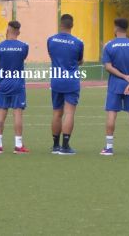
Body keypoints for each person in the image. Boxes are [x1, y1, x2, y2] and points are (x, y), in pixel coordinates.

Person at [100, 18, 129, 156]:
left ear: (116, 28)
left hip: (115, 84)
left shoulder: (109, 45)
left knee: (112, 113)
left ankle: (109, 148)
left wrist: (123, 76)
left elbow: (108, 66)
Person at [47, 14, 84, 155]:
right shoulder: (78, 42)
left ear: (60, 24)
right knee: (69, 113)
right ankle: (65, 146)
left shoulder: (51, 40)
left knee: (57, 112)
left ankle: (55, 145)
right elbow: (79, 60)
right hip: (71, 80)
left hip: (56, 79)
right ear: (72, 25)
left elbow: (51, 55)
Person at [0, 20, 30, 154]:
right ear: (18, 32)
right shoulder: (24, 46)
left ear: (7, 30)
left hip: (3, 83)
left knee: (1, 113)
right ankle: (18, 145)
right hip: (17, 84)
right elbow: (22, 59)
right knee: (17, 113)